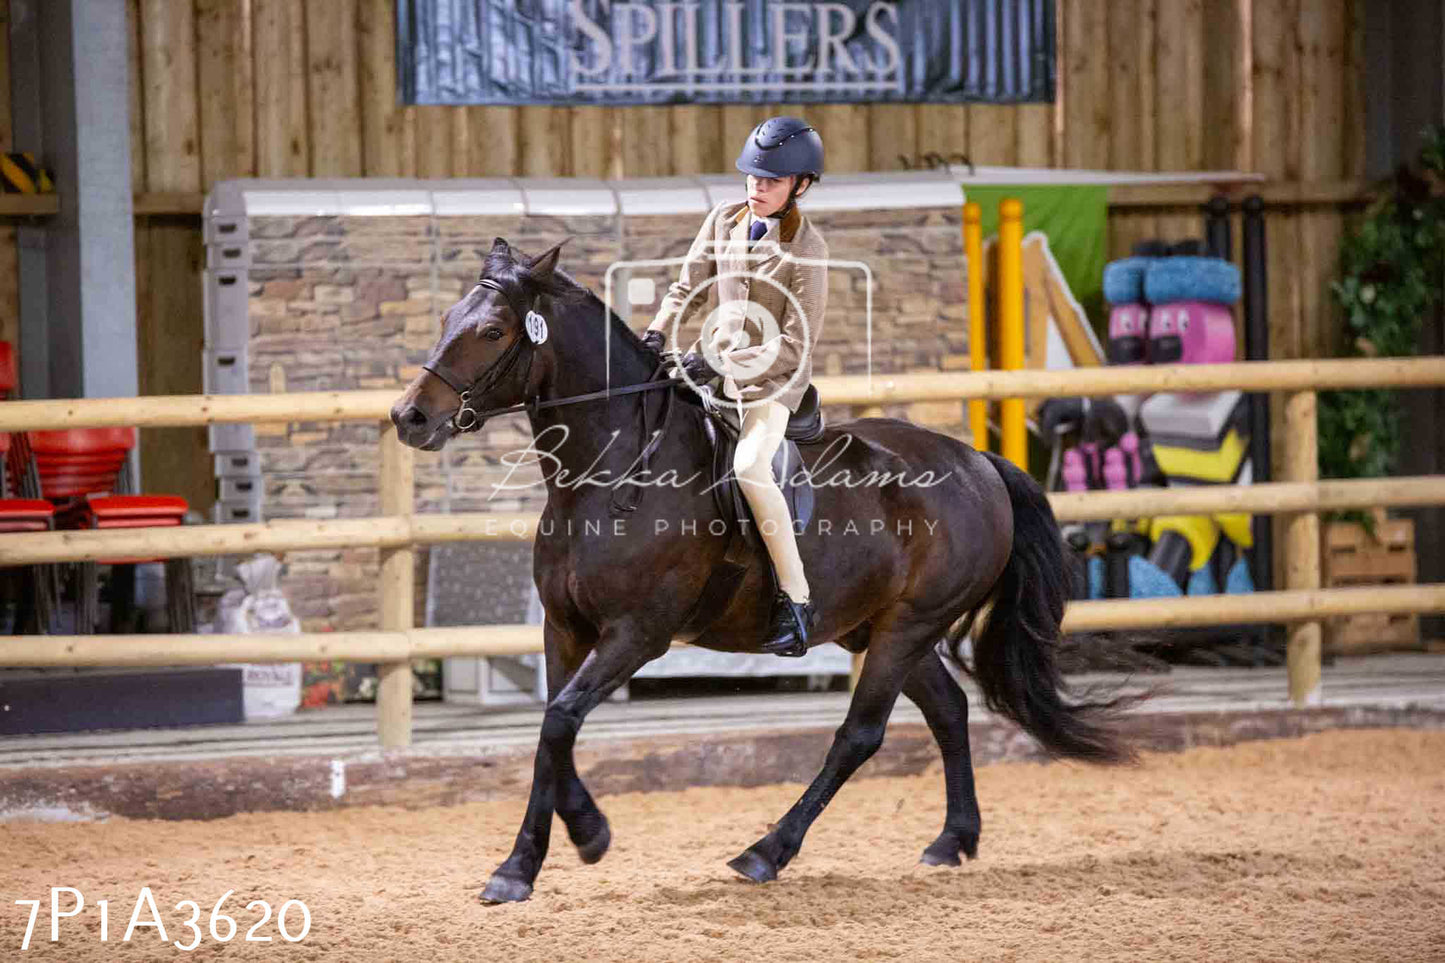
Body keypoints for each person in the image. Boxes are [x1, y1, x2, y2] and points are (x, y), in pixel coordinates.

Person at [641, 116, 828, 658]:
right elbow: (687, 287)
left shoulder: (807, 250)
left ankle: (795, 599)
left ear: (801, 186)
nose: (757, 188)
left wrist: (726, 367)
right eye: (752, 177)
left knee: (749, 467)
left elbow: (798, 343)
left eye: (771, 182)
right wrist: (656, 335)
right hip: (708, 364)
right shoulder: (724, 220)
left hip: (771, 385)